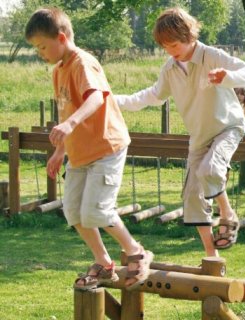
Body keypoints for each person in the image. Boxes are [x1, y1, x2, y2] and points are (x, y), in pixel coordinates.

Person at [115, 7, 245, 256]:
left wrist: (229, 76)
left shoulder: (211, 56)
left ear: (189, 35)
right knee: (193, 198)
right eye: (166, 48)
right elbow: (153, 95)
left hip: (227, 127)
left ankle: (227, 213)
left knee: (211, 170)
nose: (171, 52)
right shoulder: (170, 69)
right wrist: (115, 100)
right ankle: (211, 256)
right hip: (200, 136)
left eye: (174, 45)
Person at [25, 7, 153, 290]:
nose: (41, 53)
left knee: (97, 211)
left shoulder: (83, 63)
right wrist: (60, 150)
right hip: (80, 153)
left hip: (106, 147)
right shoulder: (58, 71)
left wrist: (69, 125)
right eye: (37, 48)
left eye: (43, 46)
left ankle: (137, 251)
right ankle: (104, 263)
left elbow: (96, 98)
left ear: (61, 37)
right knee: (73, 211)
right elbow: (65, 109)